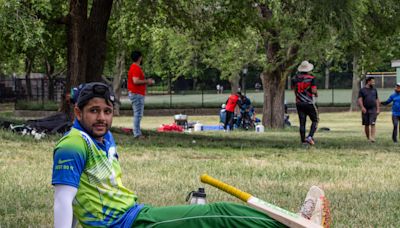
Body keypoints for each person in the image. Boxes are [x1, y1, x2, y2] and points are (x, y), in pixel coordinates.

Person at [52, 82, 328, 228]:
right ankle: (296, 224)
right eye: (93, 111)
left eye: (107, 111)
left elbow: (79, 200)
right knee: (219, 214)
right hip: (130, 223)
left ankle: (287, 221)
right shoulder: (74, 145)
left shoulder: (101, 137)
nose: (101, 117)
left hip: (133, 215)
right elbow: (64, 201)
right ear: (78, 113)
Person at [127, 50, 154, 139]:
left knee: (138, 114)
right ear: (140, 58)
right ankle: (137, 134)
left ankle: (137, 132)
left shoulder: (134, 67)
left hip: (137, 93)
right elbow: (135, 81)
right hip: (136, 93)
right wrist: (147, 81)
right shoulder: (135, 68)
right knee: (138, 114)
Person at [292, 61, 319, 145]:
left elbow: (294, 90)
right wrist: (316, 94)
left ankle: (303, 141)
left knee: (302, 122)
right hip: (309, 103)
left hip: (299, 103)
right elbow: (314, 90)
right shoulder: (311, 78)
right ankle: (310, 137)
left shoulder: (295, 79)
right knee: (315, 120)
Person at [358, 77, 380, 142]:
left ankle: (372, 138)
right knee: (366, 124)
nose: (373, 83)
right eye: (372, 81)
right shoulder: (362, 90)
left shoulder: (374, 90)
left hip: (373, 109)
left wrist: (378, 109)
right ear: (368, 82)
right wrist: (362, 107)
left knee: (373, 123)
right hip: (365, 109)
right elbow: (360, 99)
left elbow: (377, 99)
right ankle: (368, 138)